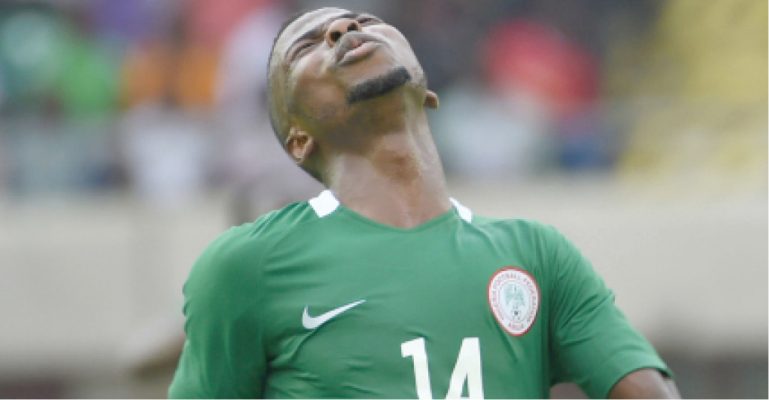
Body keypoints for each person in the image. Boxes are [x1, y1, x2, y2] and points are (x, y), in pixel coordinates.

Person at [168, 7, 680, 399]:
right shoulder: (248, 266)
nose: (344, 30)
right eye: (306, 46)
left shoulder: (538, 256)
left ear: (427, 88)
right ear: (298, 140)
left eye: (365, 21)